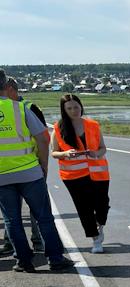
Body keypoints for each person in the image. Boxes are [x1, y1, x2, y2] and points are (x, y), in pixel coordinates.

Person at [0, 69, 74, 273]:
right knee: (44, 217)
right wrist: (43, 165)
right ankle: (55, 259)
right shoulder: (20, 108)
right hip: (29, 172)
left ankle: (23, 261)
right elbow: (42, 138)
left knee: (12, 220)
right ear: (6, 85)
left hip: (1, 177)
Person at [49, 94, 110, 254]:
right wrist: (65, 154)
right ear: (64, 110)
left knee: (102, 204)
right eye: (69, 108)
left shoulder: (93, 125)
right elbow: (54, 152)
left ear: (81, 106)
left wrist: (96, 153)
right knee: (84, 208)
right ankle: (95, 239)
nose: (74, 111)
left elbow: (103, 148)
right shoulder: (58, 128)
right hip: (73, 176)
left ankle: (99, 224)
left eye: (76, 107)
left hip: (98, 173)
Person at [1, 77, 46, 255]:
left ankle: (37, 241)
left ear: (11, 89)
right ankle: (11, 244)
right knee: (11, 215)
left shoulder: (28, 107)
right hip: (14, 168)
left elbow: (43, 138)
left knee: (34, 211)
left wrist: (42, 164)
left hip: (29, 166)